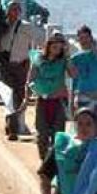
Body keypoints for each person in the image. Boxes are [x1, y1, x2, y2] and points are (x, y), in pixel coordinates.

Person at [38, 107, 97, 194]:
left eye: (89, 124)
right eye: (79, 123)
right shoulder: (62, 147)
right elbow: (45, 175)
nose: (84, 128)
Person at [0, 1, 45, 140]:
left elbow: (40, 39)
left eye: (17, 10)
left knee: (18, 96)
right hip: (5, 66)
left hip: (21, 66)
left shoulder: (26, 27)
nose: (14, 12)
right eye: (12, 9)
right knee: (9, 96)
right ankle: (13, 127)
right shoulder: (0, 26)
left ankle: (12, 125)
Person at [32, 32, 71, 160]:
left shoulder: (63, 61)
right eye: (55, 45)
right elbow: (31, 77)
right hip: (42, 100)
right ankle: (44, 160)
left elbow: (74, 74)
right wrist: (30, 92)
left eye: (60, 47)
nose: (57, 49)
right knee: (42, 134)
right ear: (49, 45)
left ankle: (55, 164)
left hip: (58, 101)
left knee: (58, 135)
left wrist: (68, 57)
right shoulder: (38, 58)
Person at [70, 26, 97, 109]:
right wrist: (72, 101)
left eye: (86, 37)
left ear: (91, 38)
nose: (84, 40)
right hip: (82, 97)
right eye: (81, 38)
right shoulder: (75, 58)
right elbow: (74, 80)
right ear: (78, 40)